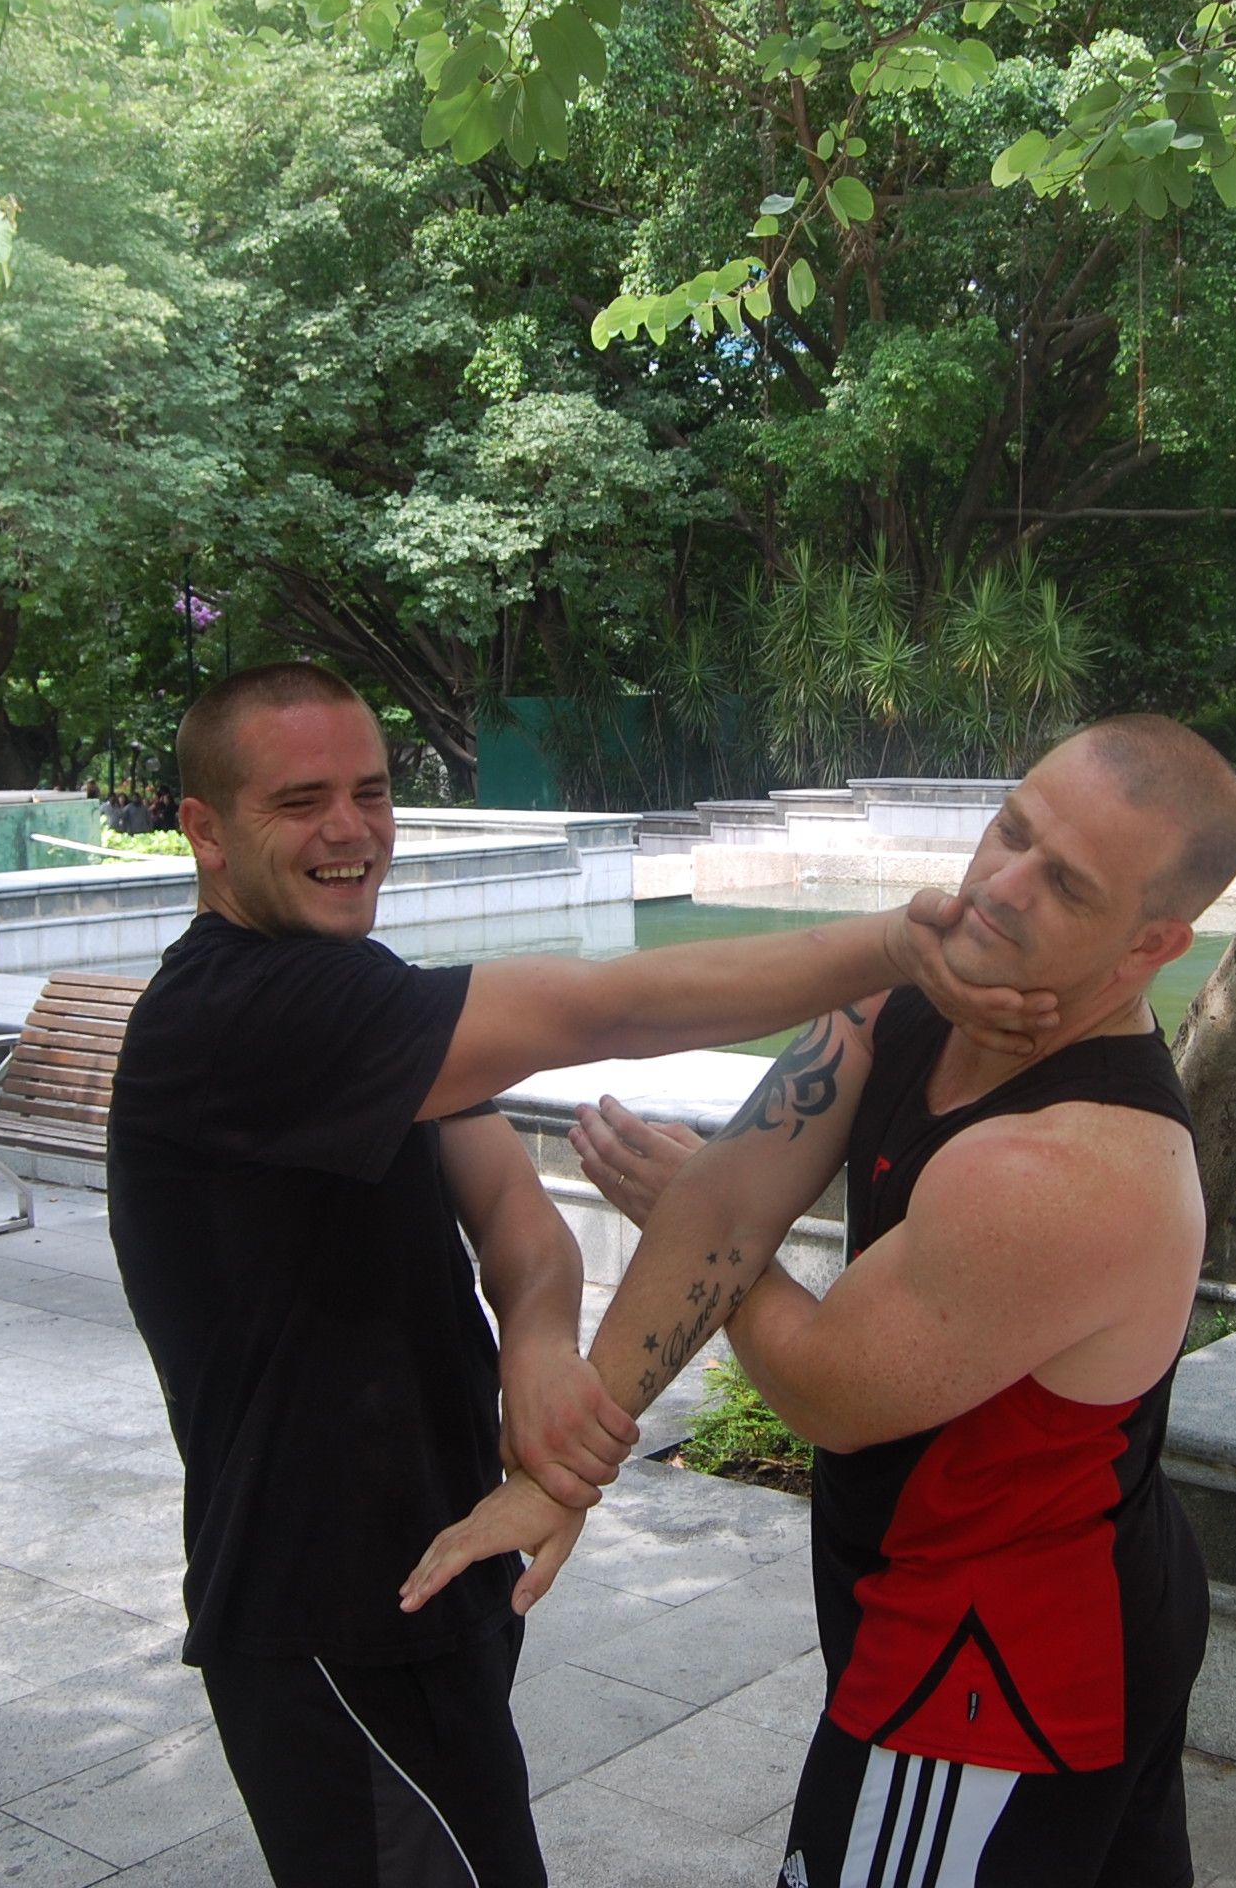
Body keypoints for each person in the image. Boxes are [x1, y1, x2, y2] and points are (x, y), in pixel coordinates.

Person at [102, 661, 1052, 1888]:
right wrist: (886, 946)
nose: (350, 828)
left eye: (371, 791)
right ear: (204, 829)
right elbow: (598, 1006)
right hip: (328, 1605)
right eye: (300, 801)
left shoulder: (352, 996)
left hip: (437, 1565)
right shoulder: (242, 1012)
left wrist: (536, 1345)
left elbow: (516, 1214)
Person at [403, 716, 1236, 1888]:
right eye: (1010, 829)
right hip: (1031, 1613)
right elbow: (732, 1193)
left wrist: (694, 1218)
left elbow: (822, 1387)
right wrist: (560, 1470)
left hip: (989, 1671)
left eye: (1064, 884)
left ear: (1153, 942)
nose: (1000, 885)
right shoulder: (916, 992)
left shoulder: (1069, 1167)